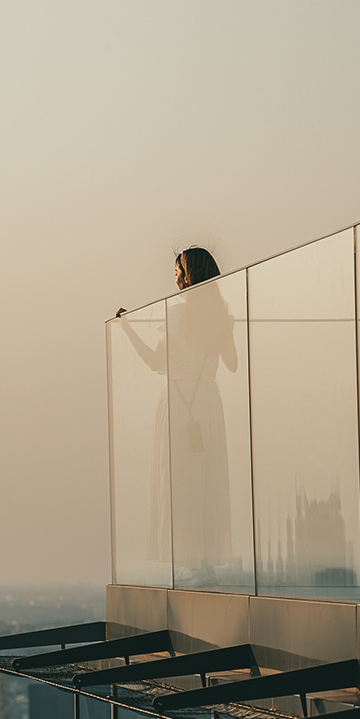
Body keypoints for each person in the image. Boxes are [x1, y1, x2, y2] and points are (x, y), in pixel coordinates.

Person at [115, 246, 236, 582]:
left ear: (188, 278)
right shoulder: (221, 316)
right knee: (207, 479)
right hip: (208, 402)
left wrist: (127, 330)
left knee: (179, 482)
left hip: (180, 403)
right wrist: (226, 330)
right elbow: (233, 364)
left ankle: (192, 563)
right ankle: (205, 560)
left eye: (179, 273)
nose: (176, 281)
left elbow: (156, 362)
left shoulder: (177, 315)